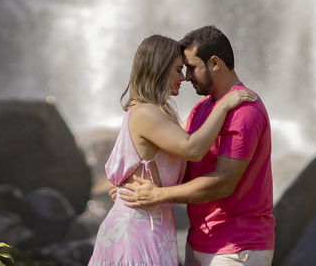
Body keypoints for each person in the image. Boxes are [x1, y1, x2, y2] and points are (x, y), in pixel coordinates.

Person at [90, 34, 257, 266]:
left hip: (154, 229)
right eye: (178, 70)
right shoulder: (146, 112)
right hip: (137, 230)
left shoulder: (158, 113)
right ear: (159, 69)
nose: (185, 78)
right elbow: (193, 148)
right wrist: (225, 105)